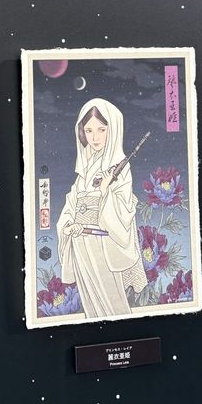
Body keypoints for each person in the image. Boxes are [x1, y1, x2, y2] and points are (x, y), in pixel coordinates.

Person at [56, 98, 146, 318]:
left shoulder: (121, 167)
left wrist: (105, 191)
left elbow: (124, 210)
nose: (95, 137)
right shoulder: (85, 167)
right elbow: (72, 201)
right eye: (89, 130)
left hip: (103, 242)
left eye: (101, 130)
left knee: (112, 302)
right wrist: (67, 224)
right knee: (91, 303)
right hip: (80, 242)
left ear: (112, 129)